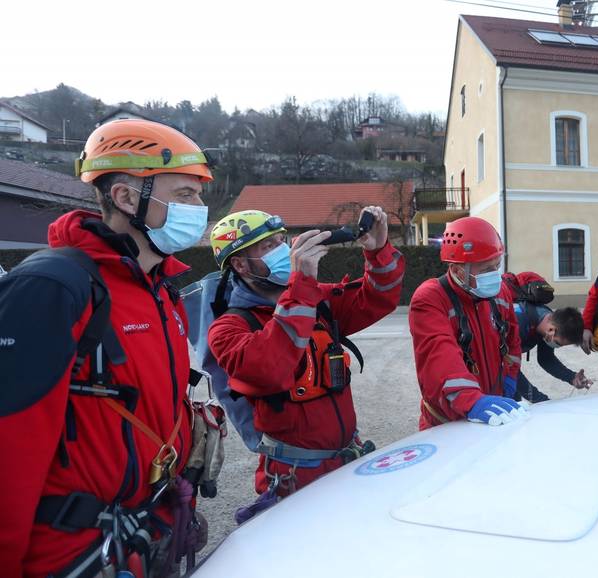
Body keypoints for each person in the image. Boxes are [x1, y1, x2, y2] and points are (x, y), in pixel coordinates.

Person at [0, 119, 213, 577]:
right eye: (185, 195)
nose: (200, 208)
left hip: (141, 536)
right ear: (125, 197)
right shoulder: (52, 289)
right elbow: (8, 453)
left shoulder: (162, 291)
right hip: (70, 555)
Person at [207, 207, 403, 498]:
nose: (282, 250)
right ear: (240, 265)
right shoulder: (228, 329)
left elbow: (377, 299)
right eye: (268, 246)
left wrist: (377, 253)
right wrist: (301, 286)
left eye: (281, 241)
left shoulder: (315, 298)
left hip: (346, 460)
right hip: (293, 476)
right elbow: (271, 367)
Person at [409, 217, 527, 430]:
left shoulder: (500, 294)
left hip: (490, 415)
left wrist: (510, 378)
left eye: (497, 266)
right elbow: (440, 355)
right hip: (448, 425)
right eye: (485, 269)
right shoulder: (430, 298)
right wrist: (471, 400)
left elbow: (512, 342)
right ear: (457, 270)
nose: (494, 275)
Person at [512, 302, 590, 402]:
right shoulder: (518, 324)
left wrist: (572, 377)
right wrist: (540, 400)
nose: (556, 346)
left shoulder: (551, 322)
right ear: (551, 329)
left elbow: (546, 359)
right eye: (557, 342)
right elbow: (509, 370)